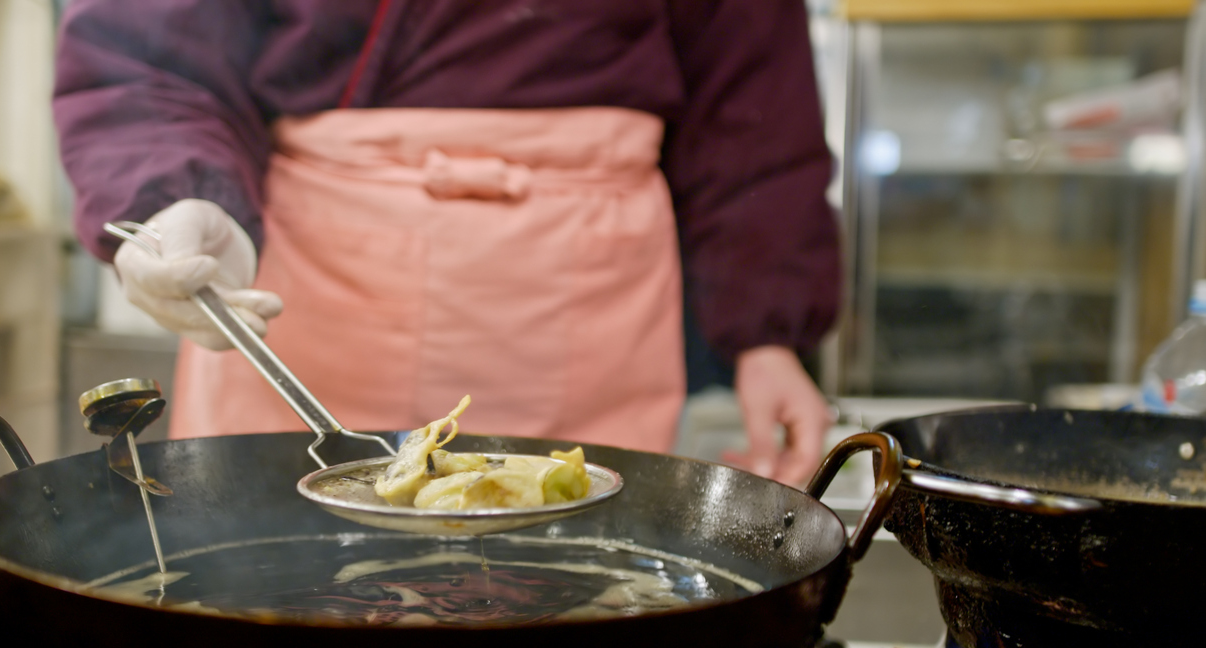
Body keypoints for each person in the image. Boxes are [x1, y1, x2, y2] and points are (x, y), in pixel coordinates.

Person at [53, 0, 840, 487]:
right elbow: (147, 57)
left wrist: (767, 332)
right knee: (268, 623)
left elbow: (748, 83)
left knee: (567, 618)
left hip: (583, 292)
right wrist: (172, 198)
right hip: (309, 287)